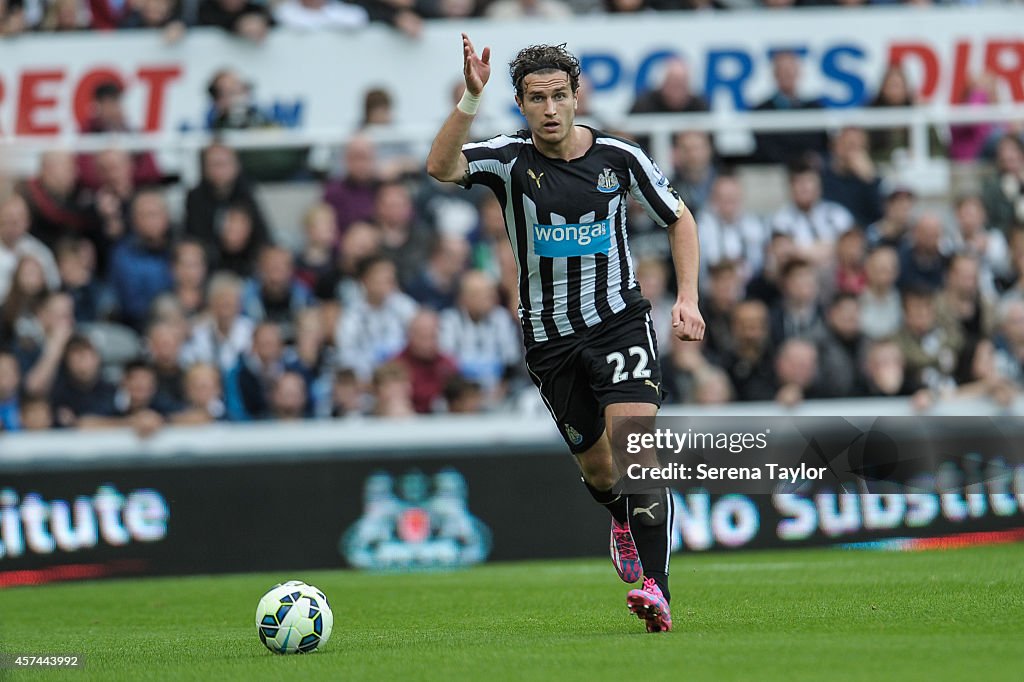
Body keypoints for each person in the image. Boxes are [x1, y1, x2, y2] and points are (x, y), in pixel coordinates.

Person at [426, 36, 705, 633]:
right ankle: (620, 518)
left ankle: (658, 592)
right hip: (550, 341)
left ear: (577, 97)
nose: (550, 108)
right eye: (536, 98)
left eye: (559, 96)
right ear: (522, 105)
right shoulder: (508, 160)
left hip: (619, 322)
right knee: (601, 471)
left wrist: (687, 297)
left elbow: (679, 217)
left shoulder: (620, 157)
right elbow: (441, 167)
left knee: (637, 451)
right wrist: (471, 98)